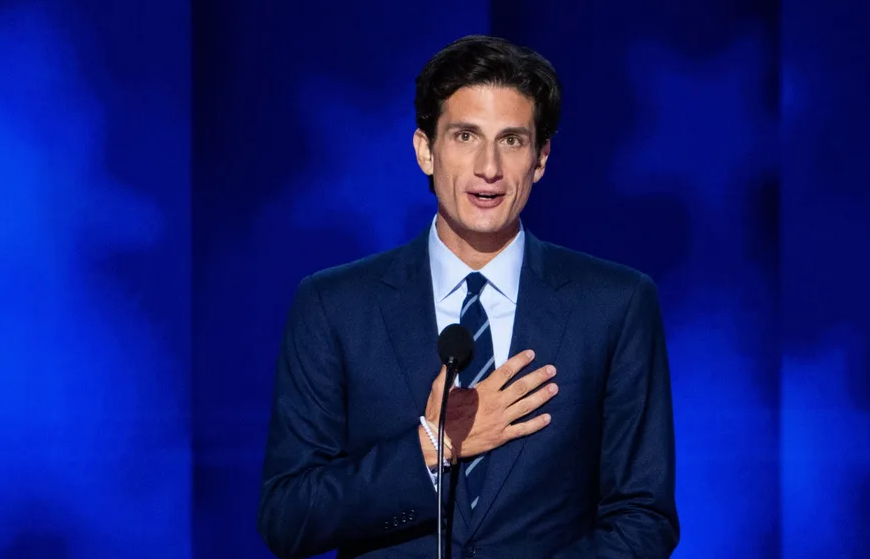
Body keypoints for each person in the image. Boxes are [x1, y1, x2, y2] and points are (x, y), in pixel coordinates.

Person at [257, 34, 679, 559]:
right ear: (425, 151)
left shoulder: (616, 304)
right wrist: (432, 446)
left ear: (541, 158)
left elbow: (643, 518)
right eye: (464, 136)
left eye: (512, 140)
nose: (489, 168)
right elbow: (288, 518)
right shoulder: (333, 304)